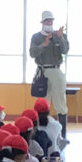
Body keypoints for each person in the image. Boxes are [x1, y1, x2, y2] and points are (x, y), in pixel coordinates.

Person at [29, 11, 70, 140]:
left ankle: (62, 136)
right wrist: (44, 45)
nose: (49, 23)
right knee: (42, 103)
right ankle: (41, 134)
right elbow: (32, 53)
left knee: (61, 104)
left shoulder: (59, 35)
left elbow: (65, 50)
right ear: (42, 22)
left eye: (51, 21)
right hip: (42, 72)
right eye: (47, 21)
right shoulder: (36, 37)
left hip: (56, 70)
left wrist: (61, 38)